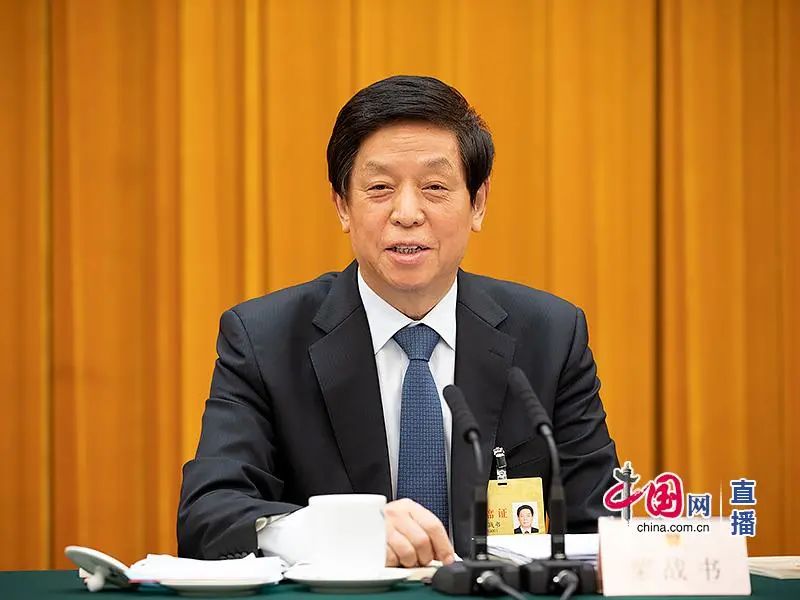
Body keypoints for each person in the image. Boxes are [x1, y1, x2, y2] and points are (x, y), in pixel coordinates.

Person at [177, 75, 618, 567]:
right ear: (342, 206)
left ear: (478, 203)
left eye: (435, 187)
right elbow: (208, 517)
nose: (407, 214)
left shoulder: (549, 336)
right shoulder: (265, 340)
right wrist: (339, 532)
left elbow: (602, 526)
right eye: (380, 188)